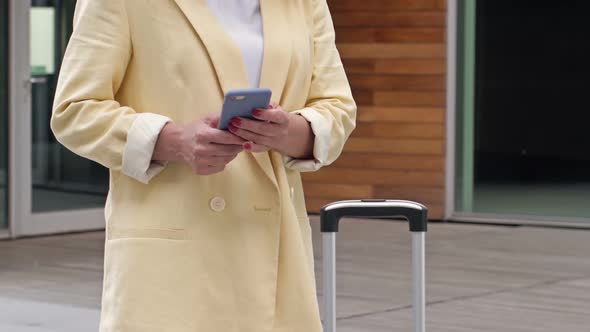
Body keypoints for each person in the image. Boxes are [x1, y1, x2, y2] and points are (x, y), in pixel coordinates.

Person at [51, 0, 356, 330]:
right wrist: (172, 140)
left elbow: (337, 107)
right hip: (175, 253)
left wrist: (290, 131)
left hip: (276, 252)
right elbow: (74, 110)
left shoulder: (303, 3)